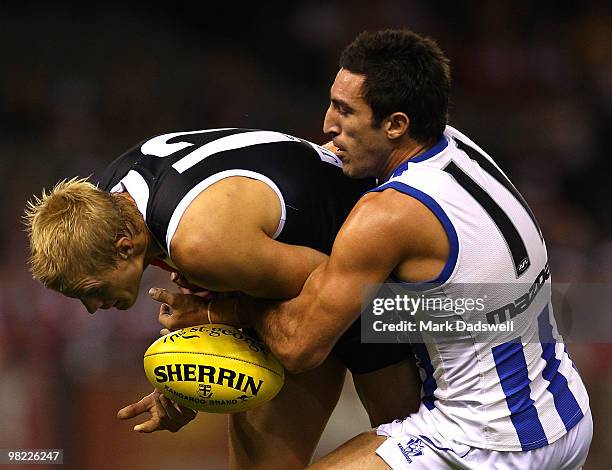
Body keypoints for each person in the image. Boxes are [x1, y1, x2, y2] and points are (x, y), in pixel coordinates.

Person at [160, 30, 592, 468]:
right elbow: (453, 308)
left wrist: (224, 310)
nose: (328, 124)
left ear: (396, 124)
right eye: (332, 103)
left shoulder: (389, 215)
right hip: (566, 412)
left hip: (485, 443)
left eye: (345, 111)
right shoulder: (461, 148)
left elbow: (298, 347)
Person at [24, 128, 420, 469]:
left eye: (91, 292)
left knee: (411, 445)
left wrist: (218, 313)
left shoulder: (199, 243)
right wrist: (193, 370)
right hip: (325, 256)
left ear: (125, 247)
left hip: (386, 276)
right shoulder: (111, 203)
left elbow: (336, 285)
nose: (93, 308)